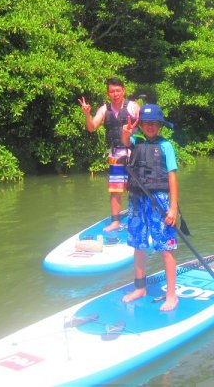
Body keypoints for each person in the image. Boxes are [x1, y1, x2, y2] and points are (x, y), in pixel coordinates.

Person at [119, 103, 178, 312]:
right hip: (137, 198)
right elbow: (125, 141)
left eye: (154, 123)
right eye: (146, 123)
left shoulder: (166, 146)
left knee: (166, 247)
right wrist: (127, 131)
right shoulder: (135, 141)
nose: (150, 126)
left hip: (159, 199)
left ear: (159, 125)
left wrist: (173, 206)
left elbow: (172, 176)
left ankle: (171, 295)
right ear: (141, 125)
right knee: (138, 244)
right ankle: (140, 288)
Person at [78, 78, 139, 231]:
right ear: (108, 93)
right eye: (112, 91)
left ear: (123, 91)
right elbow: (92, 127)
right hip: (116, 154)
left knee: (137, 188)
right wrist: (87, 114)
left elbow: (146, 125)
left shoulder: (133, 107)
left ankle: (138, 218)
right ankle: (115, 221)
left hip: (134, 153)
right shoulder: (104, 109)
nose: (115, 94)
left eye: (118, 90)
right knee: (115, 189)